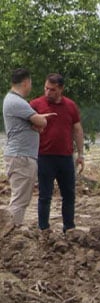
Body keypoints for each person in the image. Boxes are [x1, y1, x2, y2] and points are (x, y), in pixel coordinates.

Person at [31, 73, 83, 231]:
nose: (48, 92)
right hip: (44, 156)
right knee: (45, 196)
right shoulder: (35, 104)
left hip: (65, 157)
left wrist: (81, 154)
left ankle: (69, 228)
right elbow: (26, 126)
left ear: (61, 89)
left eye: (52, 89)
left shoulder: (70, 106)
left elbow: (77, 129)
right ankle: (43, 229)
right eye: (46, 88)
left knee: (69, 195)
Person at [3, 69, 51, 226]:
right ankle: (10, 231)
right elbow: (41, 122)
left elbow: (35, 123)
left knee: (21, 198)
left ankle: (11, 229)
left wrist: (36, 122)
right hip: (21, 156)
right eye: (30, 83)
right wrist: (40, 120)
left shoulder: (14, 101)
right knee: (20, 200)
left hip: (21, 155)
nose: (31, 86)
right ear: (25, 82)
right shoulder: (17, 102)